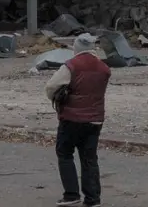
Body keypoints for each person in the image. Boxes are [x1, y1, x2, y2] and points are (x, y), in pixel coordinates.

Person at [44, 32, 111, 207]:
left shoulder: (71, 66)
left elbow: (51, 87)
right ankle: (93, 199)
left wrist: (57, 97)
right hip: (96, 119)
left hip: (71, 118)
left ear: (76, 48)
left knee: (65, 153)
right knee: (89, 158)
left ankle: (71, 194)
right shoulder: (104, 68)